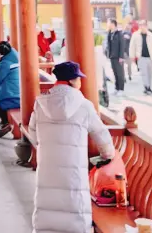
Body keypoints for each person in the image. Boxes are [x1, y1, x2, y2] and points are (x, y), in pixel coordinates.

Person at [29, 61, 115, 233]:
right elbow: (102, 136)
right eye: (79, 78)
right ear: (72, 80)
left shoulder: (41, 103)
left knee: (48, 203)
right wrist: (108, 155)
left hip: (48, 164)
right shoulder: (84, 105)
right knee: (74, 203)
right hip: (73, 167)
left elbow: (33, 133)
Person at [131, 20, 152, 94]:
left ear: (146, 26)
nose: (142, 27)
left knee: (150, 73)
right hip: (141, 57)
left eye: (143, 25)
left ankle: (149, 87)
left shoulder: (151, 35)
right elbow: (132, 46)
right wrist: (132, 56)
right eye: (140, 25)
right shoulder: (135, 35)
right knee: (144, 73)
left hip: (150, 57)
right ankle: (146, 87)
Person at [105, 18, 126, 96]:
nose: (107, 24)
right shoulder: (109, 33)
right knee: (115, 73)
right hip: (112, 56)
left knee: (120, 73)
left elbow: (122, 45)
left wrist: (121, 56)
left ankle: (121, 89)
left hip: (118, 57)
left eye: (108, 22)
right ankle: (116, 88)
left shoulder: (119, 33)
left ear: (113, 24)